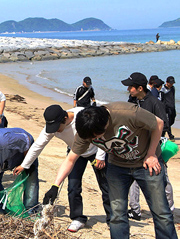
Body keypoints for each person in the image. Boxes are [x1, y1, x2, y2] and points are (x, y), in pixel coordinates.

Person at [43, 102, 177, 239]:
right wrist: (55, 185)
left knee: (161, 212)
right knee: (117, 213)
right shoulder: (86, 131)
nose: (96, 140)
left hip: (146, 162)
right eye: (93, 139)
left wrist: (151, 153)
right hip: (117, 166)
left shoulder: (127, 113)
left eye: (97, 136)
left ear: (105, 124)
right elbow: (70, 159)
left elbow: (158, 123)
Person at [13, 105, 110, 232]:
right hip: (75, 153)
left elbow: (103, 132)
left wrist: (101, 156)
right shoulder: (52, 126)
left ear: (65, 118)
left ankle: (113, 219)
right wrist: (24, 165)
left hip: (96, 151)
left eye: (57, 127)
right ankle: (78, 218)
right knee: (73, 186)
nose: (55, 130)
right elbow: (38, 145)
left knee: (106, 186)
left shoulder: (82, 115)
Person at [121, 72, 174, 220]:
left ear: (139, 88)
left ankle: (168, 209)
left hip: (152, 148)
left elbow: (163, 125)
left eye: (130, 87)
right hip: (134, 147)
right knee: (133, 179)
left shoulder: (154, 102)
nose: (128, 89)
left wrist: (152, 149)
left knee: (162, 178)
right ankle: (135, 210)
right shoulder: (132, 100)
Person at [161, 76, 176, 142]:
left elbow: (173, 98)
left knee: (171, 121)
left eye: (172, 83)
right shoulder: (163, 89)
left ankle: (163, 133)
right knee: (167, 122)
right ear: (167, 82)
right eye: (170, 83)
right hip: (166, 108)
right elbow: (161, 99)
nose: (172, 84)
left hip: (172, 107)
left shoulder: (173, 88)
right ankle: (170, 135)